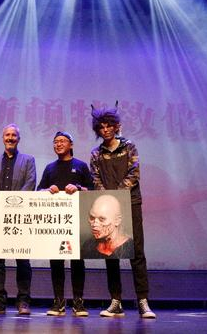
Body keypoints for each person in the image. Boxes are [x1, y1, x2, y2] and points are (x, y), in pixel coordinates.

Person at [89, 104, 156, 318]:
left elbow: (134, 173)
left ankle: (143, 301)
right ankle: (116, 301)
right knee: (110, 252)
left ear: (116, 126)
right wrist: (109, 199)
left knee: (136, 252)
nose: (106, 129)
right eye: (101, 127)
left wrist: (117, 196)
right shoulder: (96, 153)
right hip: (108, 208)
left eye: (109, 125)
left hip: (131, 203)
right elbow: (95, 179)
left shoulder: (129, 147)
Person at [37, 131, 94, 317]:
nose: (58, 144)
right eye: (56, 142)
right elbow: (39, 190)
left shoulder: (81, 166)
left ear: (71, 144)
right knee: (56, 262)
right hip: (55, 222)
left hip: (77, 221)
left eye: (62, 141)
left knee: (77, 261)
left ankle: (78, 302)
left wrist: (78, 188)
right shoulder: (49, 168)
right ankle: (58, 302)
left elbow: (92, 190)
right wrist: (47, 190)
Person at [0, 124, 36, 315]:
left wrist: (14, 206)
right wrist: (2, 205)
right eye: (7, 135)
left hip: (20, 217)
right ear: (3, 138)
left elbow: (30, 183)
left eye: (14, 135)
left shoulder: (28, 160)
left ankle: (23, 302)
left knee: (22, 259)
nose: (10, 138)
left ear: (18, 139)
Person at [81, 194, 133, 259]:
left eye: (102, 219)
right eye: (92, 218)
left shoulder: (130, 248)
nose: (94, 224)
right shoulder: (88, 245)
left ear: (117, 221)